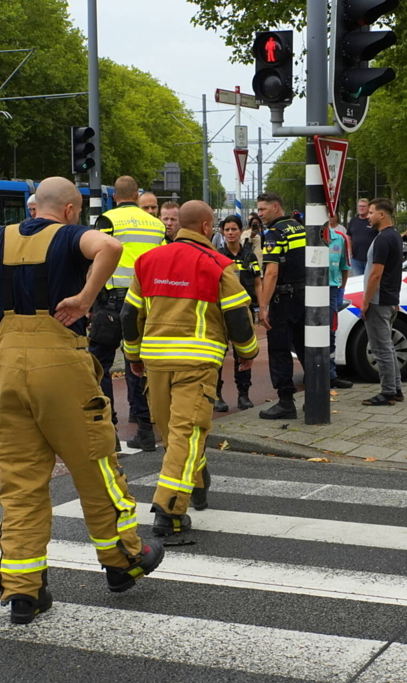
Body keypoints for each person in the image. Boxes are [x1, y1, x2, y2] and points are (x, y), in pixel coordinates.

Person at [0, 177, 163, 625]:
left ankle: (23, 591)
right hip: (62, 367)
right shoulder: (73, 236)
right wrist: (85, 298)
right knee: (95, 467)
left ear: (36, 208)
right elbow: (109, 249)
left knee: (20, 486)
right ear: (71, 210)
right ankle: (123, 562)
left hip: (10, 370)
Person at [121, 200, 259, 539]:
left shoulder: (147, 262)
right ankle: (169, 512)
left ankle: (194, 482)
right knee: (186, 434)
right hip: (197, 363)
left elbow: (129, 316)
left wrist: (133, 356)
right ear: (206, 226)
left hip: (155, 362)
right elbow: (239, 318)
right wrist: (248, 353)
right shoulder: (218, 265)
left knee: (174, 435)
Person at [90, 176, 166, 452]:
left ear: (114, 197)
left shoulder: (107, 220)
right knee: (137, 363)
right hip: (146, 303)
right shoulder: (156, 225)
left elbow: (95, 259)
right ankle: (145, 429)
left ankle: (109, 429)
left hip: (111, 303)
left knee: (100, 365)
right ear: (137, 196)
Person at [256, 191, 306, 420]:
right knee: (306, 347)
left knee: (279, 350)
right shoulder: (300, 227)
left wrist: (263, 306)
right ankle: (316, 395)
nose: (260, 214)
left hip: (283, 299)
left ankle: (286, 402)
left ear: (276, 207)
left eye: (262, 209)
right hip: (305, 297)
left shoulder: (274, 234)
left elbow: (272, 271)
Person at [215, 215, 263, 411]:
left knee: (244, 352)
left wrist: (262, 307)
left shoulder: (249, 255)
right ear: (222, 232)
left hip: (244, 311)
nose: (230, 233)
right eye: (227, 230)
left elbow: (258, 282)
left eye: (234, 229)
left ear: (240, 231)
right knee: (218, 354)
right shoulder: (217, 256)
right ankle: (216, 395)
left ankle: (243, 394)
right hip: (222, 313)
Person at [360, 198, 404, 406]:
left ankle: (387, 393)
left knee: (381, 348)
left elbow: (376, 273)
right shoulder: (395, 236)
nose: (367, 217)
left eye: (370, 213)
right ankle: (396, 389)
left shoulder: (382, 239)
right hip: (390, 298)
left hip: (379, 299)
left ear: (381, 215)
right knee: (389, 346)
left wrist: (366, 301)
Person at [326, 216, 354, 390]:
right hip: (310, 291)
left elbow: (344, 268)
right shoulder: (307, 238)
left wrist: (340, 291)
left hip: (331, 290)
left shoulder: (340, 238)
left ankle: (331, 374)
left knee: (330, 333)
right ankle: (312, 371)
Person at [347, 198, 375, 275]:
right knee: (357, 280)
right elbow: (349, 237)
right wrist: (350, 251)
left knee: (368, 280)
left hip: (370, 258)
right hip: (355, 258)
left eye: (363, 206)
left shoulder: (372, 221)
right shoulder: (353, 221)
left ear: (368, 208)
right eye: (359, 206)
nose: (361, 208)